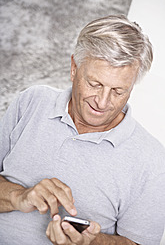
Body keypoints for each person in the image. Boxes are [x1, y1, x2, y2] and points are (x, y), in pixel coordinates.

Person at [0, 15, 165, 245]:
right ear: (74, 69)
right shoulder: (30, 102)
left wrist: (92, 242)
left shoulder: (153, 160)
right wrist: (19, 197)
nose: (103, 102)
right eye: (95, 84)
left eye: (118, 91)